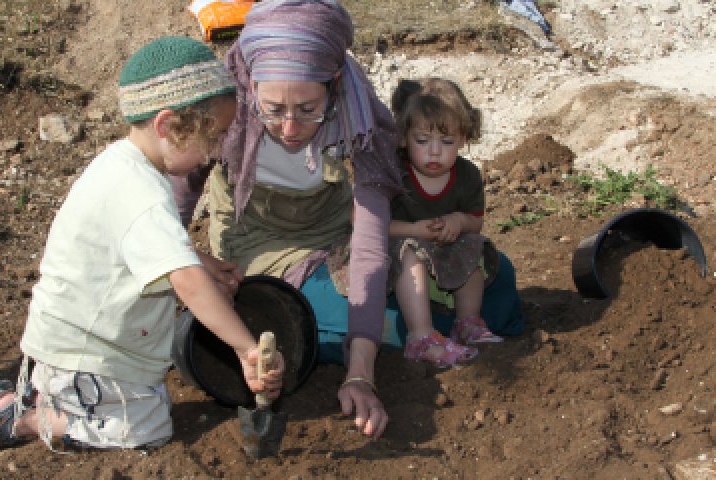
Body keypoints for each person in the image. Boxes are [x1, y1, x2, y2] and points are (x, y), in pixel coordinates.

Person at [171, 0, 523, 441]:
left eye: (308, 109)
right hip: (261, 246)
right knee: (370, 320)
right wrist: (187, 264)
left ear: (334, 85)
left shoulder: (359, 116)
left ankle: (424, 331)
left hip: (338, 235)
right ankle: (418, 332)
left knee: (498, 283)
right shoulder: (223, 111)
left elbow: (372, 246)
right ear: (252, 85)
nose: (290, 126)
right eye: (274, 109)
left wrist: (360, 375)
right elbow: (174, 212)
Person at [0, 36, 284, 464]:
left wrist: (200, 260)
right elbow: (187, 284)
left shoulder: (123, 164)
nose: (219, 149)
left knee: (148, 402)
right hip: (86, 353)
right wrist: (246, 349)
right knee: (146, 429)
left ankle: (49, 392)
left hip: (96, 344)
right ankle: (20, 416)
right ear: (168, 126)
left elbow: (132, 242)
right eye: (215, 136)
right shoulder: (143, 193)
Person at [388, 77, 504, 369]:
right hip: (397, 249)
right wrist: (414, 230)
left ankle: (467, 323)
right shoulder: (394, 173)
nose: (435, 152)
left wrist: (458, 221)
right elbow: (371, 224)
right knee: (410, 250)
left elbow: (475, 223)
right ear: (403, 137)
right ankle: (420, 336)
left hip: (442, 248)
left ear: (464, 138)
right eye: (422, 141)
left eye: (447, 141)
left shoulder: (467, 176)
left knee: (474, 246)